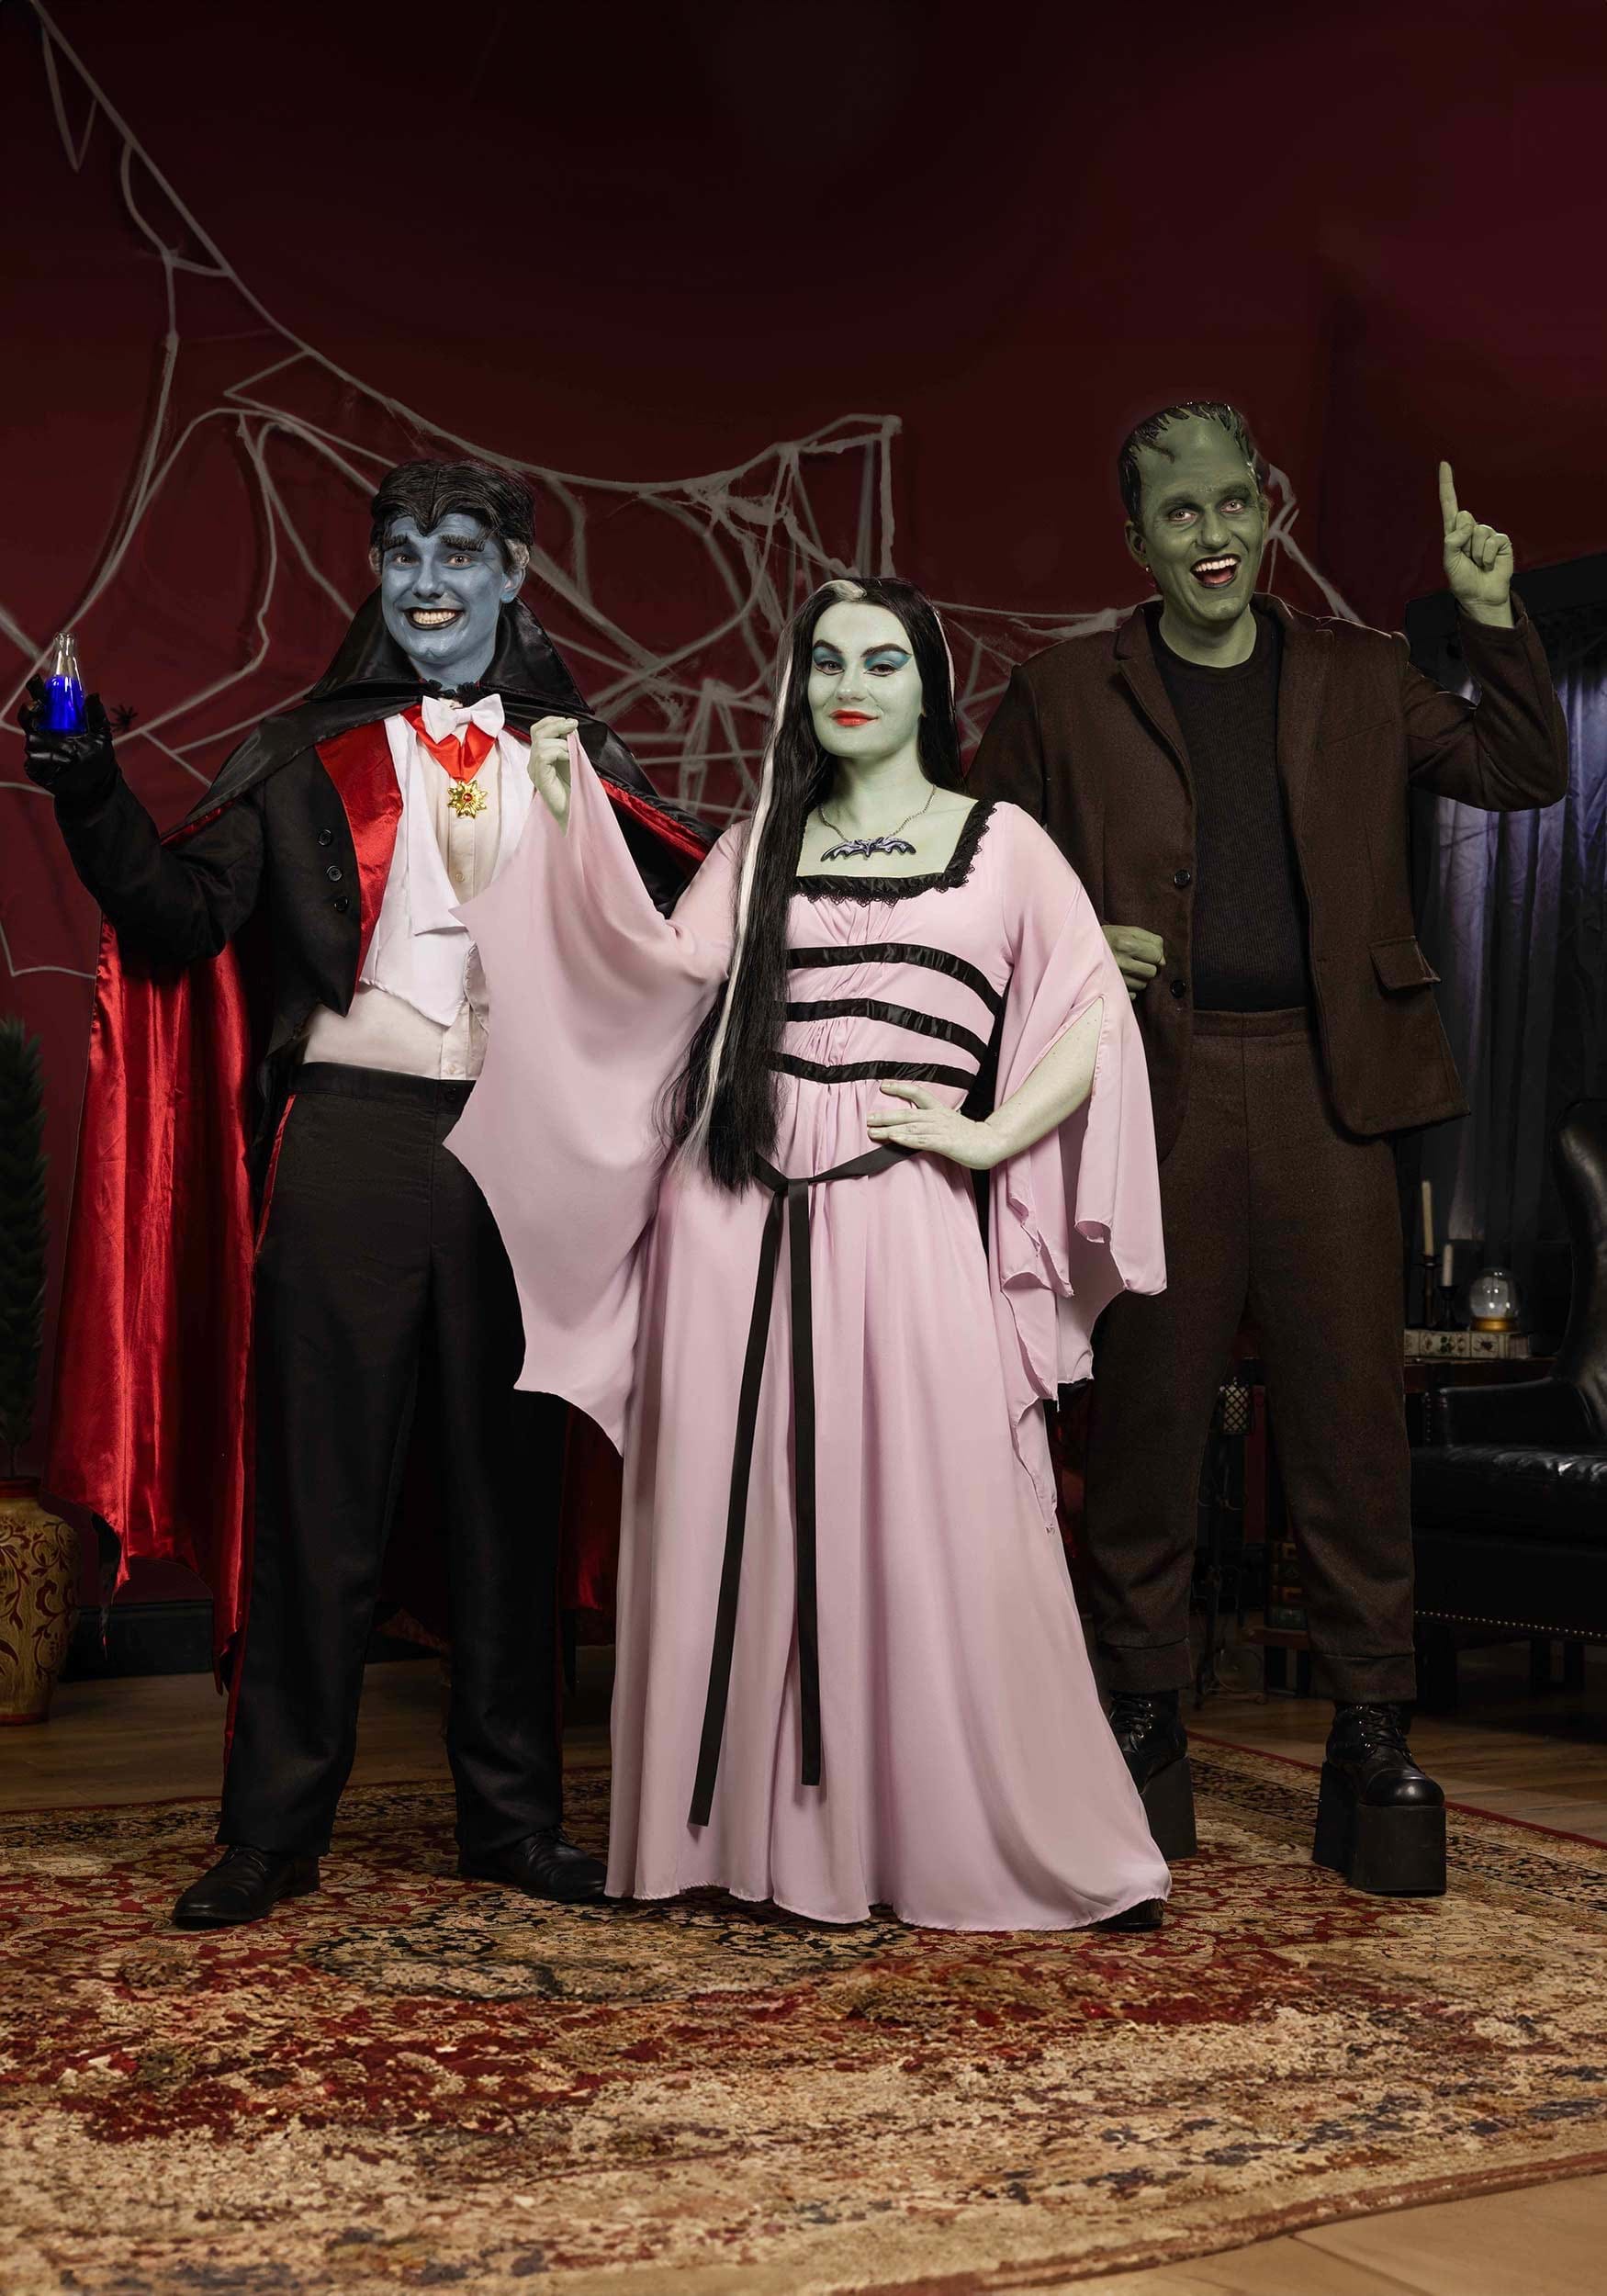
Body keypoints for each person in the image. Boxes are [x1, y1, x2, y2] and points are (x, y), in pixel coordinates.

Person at [24, 459, 705, 1929]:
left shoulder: (582, 757)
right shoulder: (298, 751)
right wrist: (83, 779)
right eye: (401, 554)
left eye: (458, 552)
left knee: (506, 1496)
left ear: (513, 573)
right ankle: (272, 1833)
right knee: (317, 1496)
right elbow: (176, 917)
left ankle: (512, 1824)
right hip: (351, 1137)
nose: (427, 581)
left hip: (528, 1146)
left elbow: (673, 950)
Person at [449, 575, 1172, 1931]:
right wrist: (567, 823)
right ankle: (732, 1845)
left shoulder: (1004, 843)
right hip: (730, 1218)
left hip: (907, 1211)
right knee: (737, 1518)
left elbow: (1088, 1013)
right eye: (828, 660)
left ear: (928, 684)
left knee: (945, 1520)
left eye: (883, 660)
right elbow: (648, 981)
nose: (852, 684)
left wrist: (988, 1133)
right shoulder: (753, 844)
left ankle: (948, 1839)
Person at [969, 403, 1569, 1896]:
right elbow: (976, 881)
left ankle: (1370, 1735)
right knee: (1147, 1425)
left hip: (1328, 1090)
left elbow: (1521, 771)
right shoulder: (1061, 692)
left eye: (1233, 503)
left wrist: (1491, 616)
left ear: (1265, 512)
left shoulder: (1363, 676)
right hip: (1146, 1094)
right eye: (1180, 513)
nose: (1214, 534)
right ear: (1137, 539)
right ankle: (1139, 1720)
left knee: (1350, 1434)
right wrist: (1070, 940)